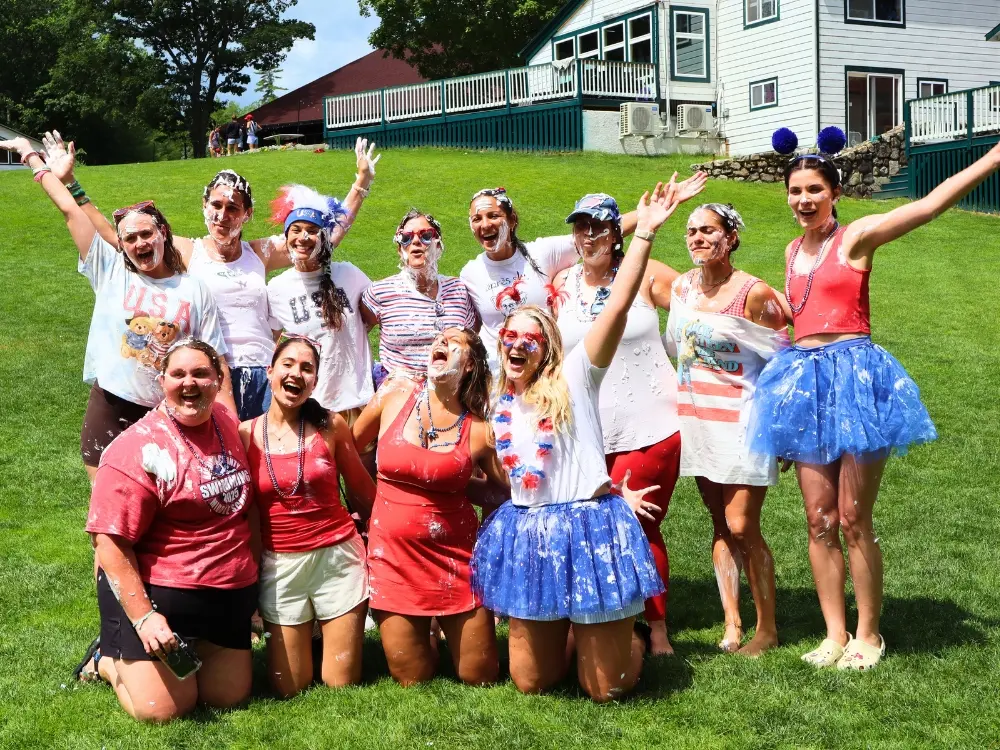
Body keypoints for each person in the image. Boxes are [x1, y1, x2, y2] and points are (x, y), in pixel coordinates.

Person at [749, 137, 1000, 670]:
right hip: (807, 385)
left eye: (815, 189)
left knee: (853, 515)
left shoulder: (857, 237)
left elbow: (929, 206)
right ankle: (834, 634)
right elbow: (806, 314)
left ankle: (869, 635)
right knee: (818, 518)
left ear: (835, 192)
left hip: (856, 380)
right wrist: (781, 321)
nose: (804, 200)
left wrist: (994, 158)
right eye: (795, 191)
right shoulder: (792, 251)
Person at [472, 181, 680, 702]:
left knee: (605, 689)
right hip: (531, 531)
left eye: (530, 339)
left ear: (549, 346)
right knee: (530, 682)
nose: (518, 346)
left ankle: (622, 636)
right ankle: (574, 633)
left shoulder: (577, 375)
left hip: (588, 526)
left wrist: (646, 233)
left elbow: (618, 304)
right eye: (509, 340)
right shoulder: (500, 397)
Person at [41, 131, 380, 419]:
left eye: (233, 208)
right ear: (204, 206)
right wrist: (72, 183)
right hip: (211, 376)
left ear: (246, 215)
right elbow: (122, 237)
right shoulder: (187, 251)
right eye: (216, 206)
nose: (223, 215)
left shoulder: (259, 253)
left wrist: (360, 184)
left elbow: (320, 237)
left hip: (263, 374)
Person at [0, 135, 231, 482]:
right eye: (130, 238)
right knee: (107, 505)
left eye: (146, 233)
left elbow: (215, 360)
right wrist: (30, 156)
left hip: (167, 412)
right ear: (121, 244)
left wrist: (230, 426)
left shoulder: (194, 289)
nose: (140, 242)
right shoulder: (109, 270)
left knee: (164, 508)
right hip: (110, 405)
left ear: (163, 233)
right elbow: (68, 209)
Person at [552, 181, 706, 657]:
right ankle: (596, 620)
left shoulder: (646, 273)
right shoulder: (561, 285)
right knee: (588, 522)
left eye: (598, 227)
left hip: (652, 423)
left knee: (637, 524)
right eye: (581, 228)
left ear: (617, 234)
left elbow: (699, 314)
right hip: (587, 431)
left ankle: (656, 628)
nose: (589, 236)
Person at [76, 339, 257, 722]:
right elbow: (108, 542)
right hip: (160, 597)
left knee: (228, 697)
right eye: (178, 374)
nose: (189, 383)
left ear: (218, 380)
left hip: (227, 594)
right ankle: (107, 661)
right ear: (162, 381)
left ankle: (198, 649)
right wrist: (145, 617)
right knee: (163, 712)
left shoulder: (226, 422)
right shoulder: (137, 449)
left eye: (200, 374)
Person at [665, 203, 789, 656]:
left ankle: (768, 628)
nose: (698, 238)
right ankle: (732, 623)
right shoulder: (681, 286)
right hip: (697, 421)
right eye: (692, 231)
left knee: (742, 525)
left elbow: (786, 353)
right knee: (719, 523)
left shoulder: (753, 292)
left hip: (743, 421)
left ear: (730, 238)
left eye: (708, 231)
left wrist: (785, 428)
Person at [352, 327, 505, 686]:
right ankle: (428, 634)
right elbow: (352, 447)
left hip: (455, 559)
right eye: (438, 338)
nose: (441, 343)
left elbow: (509, 488)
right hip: (393, 559)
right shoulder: (393, 395)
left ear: (469, 365)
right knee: (412, 677)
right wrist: (367, 503)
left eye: (454, 343)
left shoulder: (480, 430)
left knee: (479, 676)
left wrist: (457, 483)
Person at [241, 337, 375, 697]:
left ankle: (325, 631)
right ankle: (309, 635)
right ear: (270, 372)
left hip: (337, 559)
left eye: (306, 368)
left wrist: (387, 545)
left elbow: (364, 491)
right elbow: (245, 514)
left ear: (315, 381)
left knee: (340, 683)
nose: (296, 373)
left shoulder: (331, 426)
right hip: (280, 564)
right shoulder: (246, 434)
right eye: (287, 364)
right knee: (289, 687)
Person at [461, 179, 704, 371]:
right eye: (476, 219)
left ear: (512, 220)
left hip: (544, 374)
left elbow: (596, 235)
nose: (485, 224)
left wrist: (655, 211)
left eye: (493, 216)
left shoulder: (543, 253)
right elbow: (470, 328)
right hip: (499, 378)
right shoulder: (470, 273)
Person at [361, 210, 478, 384]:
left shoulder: (458, 290)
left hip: (450, 394)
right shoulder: (380, 293)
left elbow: (472, 342)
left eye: (426, 236)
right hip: (398, 397)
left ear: (438, 246)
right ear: (400, 250)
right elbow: (356, 336)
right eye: (406, 238)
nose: (415, 241)